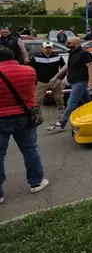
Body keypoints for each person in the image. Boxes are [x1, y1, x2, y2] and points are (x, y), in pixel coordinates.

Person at [0, 47, 50, 202]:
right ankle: (36, 182)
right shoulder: (29, 71)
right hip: (25, 116)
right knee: (30, 150)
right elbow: (31, 88)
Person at [46, 37, 92, 132]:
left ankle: (61, 123)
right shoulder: (72, 52)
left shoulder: (85, 54)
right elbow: (67, 66)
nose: (67, 44)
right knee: (87, 102)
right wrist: (56, 76)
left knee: (71, 103)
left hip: (81, 81)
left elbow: (91, 67)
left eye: (69, 43)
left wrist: (91, 81)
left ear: (76, 44)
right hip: (73, 80)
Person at [31, 42, 66, 121]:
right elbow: (31, 69)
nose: (48, 49)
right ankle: (37, 114)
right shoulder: (36, 58)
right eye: (46, 48)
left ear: (52, 48)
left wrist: (60, 79)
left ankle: (61, 111)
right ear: (42, 48)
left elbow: (64, 68)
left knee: (59, 97)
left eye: (49, 48)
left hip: (55, 81)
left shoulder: (58, 57)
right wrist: (35, 80)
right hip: (41, 81)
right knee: (37, 99)